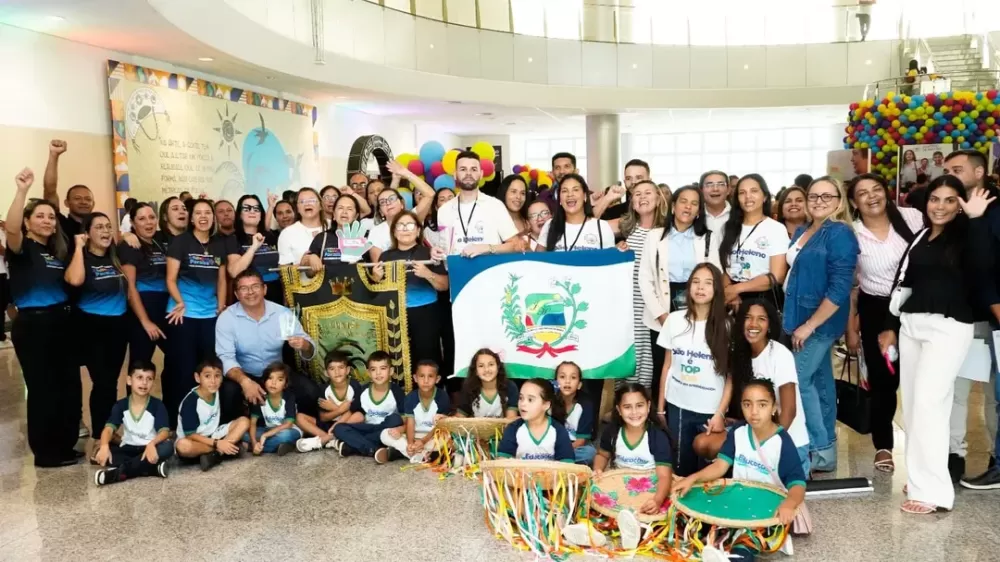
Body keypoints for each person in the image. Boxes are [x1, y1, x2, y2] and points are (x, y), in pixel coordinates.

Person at [878, 176, 994, 513]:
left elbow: (985, 264)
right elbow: (903, 283)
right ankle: (920, 479)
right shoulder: (921, 237)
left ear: (960, 203)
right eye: (934, 199)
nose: (940, 206)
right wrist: (889, 326)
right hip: (912, 325)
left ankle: (933, 493)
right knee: (913, 406)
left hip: (948, 327)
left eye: (949, 200)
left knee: (930, 404)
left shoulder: (967, 236)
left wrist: (975, 219)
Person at [673, 379, 807, 561]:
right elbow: (720, 466)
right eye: (747, 404)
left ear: (774, 407)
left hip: (767, 512)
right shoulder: (738, 431)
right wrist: (692, 478)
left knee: (745, 544)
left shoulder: (782, 442)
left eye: (762, 404)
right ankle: (714, 548)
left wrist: (789, 505)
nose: (754, 412)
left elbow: (798, 484)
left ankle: (735, 554)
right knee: (695, 524)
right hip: (738, 505)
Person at [844, 173, 921, 473]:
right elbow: (851, 287)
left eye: (876, 189)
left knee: (918, 377)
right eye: (862, 193)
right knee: (883, 382)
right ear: (853, 202)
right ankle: (884, 445)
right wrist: (852, 329)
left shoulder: (911, 218)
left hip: (917, 306)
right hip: (876, 309)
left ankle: (921, 443)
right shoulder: (852, 232)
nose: (871, 196)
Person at [5, 168, 80, 467]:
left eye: (51, 216)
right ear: (27, 222)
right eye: (40, 216)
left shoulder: (53, 252)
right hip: (34, 326)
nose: (47, 220)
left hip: (60, 323)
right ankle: (46, 453)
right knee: (43, 389)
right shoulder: (20, 249)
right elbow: (10, 230)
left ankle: (64, 445)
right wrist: (22, 190)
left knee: (67, 386)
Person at [782, 177, 858, 473]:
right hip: (798, 315)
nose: (818, 201)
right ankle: (826, 451)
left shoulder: (839, 233)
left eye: (827, 196)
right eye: (814, 196)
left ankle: (816, 447)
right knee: (820, 383)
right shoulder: (804, 229)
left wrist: (810, 325)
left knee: (798, 381)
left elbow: (840, 289)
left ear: (839, 201)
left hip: (819, 322)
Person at [697, 299, 810, 477]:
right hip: (756, 430)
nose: (753, 324)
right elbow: (731, 381)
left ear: (770, 325)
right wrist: (720, 415)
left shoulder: (780, 355)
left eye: (761, 319)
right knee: (703, 442)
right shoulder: (742, 352)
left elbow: (789, 411)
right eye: (748, 318)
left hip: (786, 439)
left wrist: (762, 447)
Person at [942, 149, 1000, 486]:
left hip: (990, 316)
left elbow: (987, 265)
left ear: (979, 173)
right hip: (959, 316)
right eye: (947, 168)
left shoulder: (991, 213)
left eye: (958, 169)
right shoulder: (949, 210)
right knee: (957, 389)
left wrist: (994, 303)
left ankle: (994, 457)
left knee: (995, 393)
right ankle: (955, 455)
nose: (950, 173)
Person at [640, 185, 721, 397]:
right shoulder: (655, 236)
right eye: (683, 201)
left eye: (694, 203)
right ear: (673, 206)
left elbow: (715, 276)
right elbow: (645, 278)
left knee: (693, 360)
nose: (688, 206)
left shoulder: (708, 238)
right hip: (663, 307)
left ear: (698, 211)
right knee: (663, 363)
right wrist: (661, 315)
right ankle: (661, 412)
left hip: (698, 305)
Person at [656, 263, 732, 476]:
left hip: (711, 409)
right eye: (696, 282)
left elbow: (729, 377)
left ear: (716, 289)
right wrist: (661, 409)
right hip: (678, 406)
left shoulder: (726, 325)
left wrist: (720, 413)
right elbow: (667, 366)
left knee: (708, 471)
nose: (700, 288)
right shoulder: (674, 320)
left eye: (708, 283)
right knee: (681, 467)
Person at [215, 268, 319, 420]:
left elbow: (310, 348)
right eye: (244, 288)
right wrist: (245, 381)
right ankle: (236, 436)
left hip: (277, 372)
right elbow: (225, 357)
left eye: (255, 286)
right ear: (237, 294)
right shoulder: (227, 318)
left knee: (310, 391)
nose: (250, 292)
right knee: (228, 393)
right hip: (245, 372)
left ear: (264, 289)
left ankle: (305, 433)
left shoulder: (282, 313)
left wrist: (304, 345)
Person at [65, 212, 129, 447]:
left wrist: (129, 234)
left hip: (118, 326)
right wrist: (80, 248)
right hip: (92, 327)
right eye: (99, 227)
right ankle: (100, 434)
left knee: (111, 381)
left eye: (108, 227)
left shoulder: (116, 257)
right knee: (102, 382)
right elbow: (74, 280)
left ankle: (107, 431)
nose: (105, 231)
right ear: (87, 232)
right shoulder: (82, 258)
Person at [163, 198, 227, 426]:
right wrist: (179, 301)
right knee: (182, 372)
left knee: (209, 371)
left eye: (207, 213)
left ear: (213, 217)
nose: (203, 217)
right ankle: (176, 423)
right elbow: (170, 279)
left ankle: (208, 420)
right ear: (191, 218)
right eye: (198, 213)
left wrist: (220, 306)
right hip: (183, 315)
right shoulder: (180, 242)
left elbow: (221, 279)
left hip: (209, 316)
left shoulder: (219, 244)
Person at [372, 210, 448, 374]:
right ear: (394, 231)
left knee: (427, 356)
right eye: (400, 225)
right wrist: (376, 278)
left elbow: (444, 285)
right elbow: (376, 291)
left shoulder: (429, 253)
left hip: (426, 313)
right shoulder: (385, 256)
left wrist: (428, 274)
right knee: (397, 358)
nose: (405, 229)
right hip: (394, 314)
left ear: (418, 230)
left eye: (410, 225)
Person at [612, 180, 668, 390]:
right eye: (637, 194)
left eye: (647, 193)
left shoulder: (667, 233)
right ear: (632, 202)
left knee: (649, 360)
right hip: (628, 307)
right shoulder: (626, 233)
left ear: (658, 198)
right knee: (626, 357)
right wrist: (616, 251)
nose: (642, 197)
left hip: (653, 307)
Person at [593, 383, 674, 514]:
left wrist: (657, 501)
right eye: (627, 407)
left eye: (639, 405)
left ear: (648, 406)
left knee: (663, 510)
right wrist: (597, 469)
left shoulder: (657, 436)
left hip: (651, 488)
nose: (634, 412)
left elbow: (664, 476)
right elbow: (602, 455)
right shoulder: (612, 431)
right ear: (618, 410)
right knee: (590, 497)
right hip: (619, 484)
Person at [92, 360, 172, 485]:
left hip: (149, 448)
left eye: (149, 379)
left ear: (153, 383)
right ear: (129, 380)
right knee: (100, 453)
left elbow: (164, 432)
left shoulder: (157, 405)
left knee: (167, 447)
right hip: (128, 448)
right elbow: (108, 429)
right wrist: (104, 446)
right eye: (139, 377)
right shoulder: (121, 405)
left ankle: (120, 473)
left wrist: (152, 444)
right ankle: (150, 469)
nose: (144, 383)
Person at [719, 174, 788, 310]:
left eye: (754, 191)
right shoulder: (728, 227)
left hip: (762, 298)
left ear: (765, 197)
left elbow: (777, 276)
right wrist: (730, 291)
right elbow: (723, 267)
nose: (748, 197)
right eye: (742, 193)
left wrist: (737, 289)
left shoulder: (776, 229)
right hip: (731, 298)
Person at [174, 357, 251, 472]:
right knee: (182, 446)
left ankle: (216, 455)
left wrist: (218, 441)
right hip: (195, 441)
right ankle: (222, 451)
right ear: (197, 377)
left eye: (217, 376)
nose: (213, 381)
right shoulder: (190, 402)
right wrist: (217, 443)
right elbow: (191, 435)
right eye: (207, 376)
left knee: (244, 421)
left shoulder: (217, 392)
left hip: (214, 435)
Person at [119, 203, 170, 366]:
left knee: (177, 357)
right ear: (133, 223)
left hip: (165, 309)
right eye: (141, 219)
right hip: (142, 311)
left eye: (151, 217)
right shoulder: (130, 246)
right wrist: (145, 322)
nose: (148, 222)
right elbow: (130, 287)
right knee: (139, 365)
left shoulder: (160, 241)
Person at [331, 351, 406, 458]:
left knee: (395, 419)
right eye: (373, 369)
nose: (378, 373)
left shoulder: (396, 391)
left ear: (391, 371)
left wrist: (400, 429)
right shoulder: (363, 390)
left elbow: (405, 418)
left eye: (383, 368)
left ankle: (354, 446)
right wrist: (337, 426)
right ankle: (374, 449)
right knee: (339, 428)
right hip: (367, 427)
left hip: (386, 430)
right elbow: (356, 413)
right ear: (368, 373)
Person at [377, 360, 451, 463]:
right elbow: (410, 424)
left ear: (437, 379)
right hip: (415, 434)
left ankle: (405, 453)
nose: (426, 381)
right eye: (421, 376)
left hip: (433, 437)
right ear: (415, 378)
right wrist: (410, 444)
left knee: (448, 439)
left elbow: (440, 425)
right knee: (384, 434)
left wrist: (423, 441)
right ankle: (421, 455)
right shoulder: (410, 397)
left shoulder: (442, 397)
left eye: (430, 376)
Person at [368, 161, 435, 261]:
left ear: (402, 204)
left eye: (392, 199)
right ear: (381, 211)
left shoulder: (413, 217)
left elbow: (429, 194)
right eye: (382, 202)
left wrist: (405, 173)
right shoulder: (376, 232)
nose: (388, 203)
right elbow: (378, 267)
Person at [295, 351, 362, 452]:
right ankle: (329, 437)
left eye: (341, 367)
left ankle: (326, 439)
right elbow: (323, 418)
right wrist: (338, 411)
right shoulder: (324, 389)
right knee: (299, 417)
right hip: (329, 426)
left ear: (347, 370)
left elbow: (352, 411)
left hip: (348, 424)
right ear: (326, 373)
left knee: (359, 416)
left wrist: (334, 408)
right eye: (332, 368)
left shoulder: (354, 385)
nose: (337, 372)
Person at [496, 378, 575, 462]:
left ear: (546, 405)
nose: (523, 403)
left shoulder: (558, 431)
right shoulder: (513, 429)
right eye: (521, 398)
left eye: (530, 400)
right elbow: (502, 461)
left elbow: (567, 465)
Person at [225, 194, 281, 304]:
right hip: (249, 295)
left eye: (256, 209)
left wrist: (271, 207)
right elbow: (234, 272)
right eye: (247, 208)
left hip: (275, 294)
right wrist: (254, 247)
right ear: (239, 214)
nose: (252, 211)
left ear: (261, 214)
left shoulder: (271, 237)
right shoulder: (233, 239)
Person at [538, 174, 615, 252]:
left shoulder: (602, 227)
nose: (570, 195)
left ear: (585, 196)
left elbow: (610, 260)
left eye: (575, 190)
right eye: (564, 191)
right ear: (560, 199)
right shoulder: (549, 225)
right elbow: (537, 261)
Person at [42, 140, 94, 252]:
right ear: (67, 203)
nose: (83, 202)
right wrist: (54, 155)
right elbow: (50, 190)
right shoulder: (60, 223)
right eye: (77, 198)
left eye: (88, 199)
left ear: (93, 203)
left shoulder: (98, 226)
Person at [246, 361, 302, 456]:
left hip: (288, 430)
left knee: (286, 436)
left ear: (285, 384)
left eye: (280, 380)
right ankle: (279, 446)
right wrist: (254, 441)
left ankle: (250, 447)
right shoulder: (260, 397)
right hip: (268, 429)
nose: (273, 383)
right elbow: (253, 423)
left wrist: (265, 435)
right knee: (244, 434)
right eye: (270, 378)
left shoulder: (289, 397)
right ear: (264, 381)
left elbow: (288, 424)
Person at [456, 348, 519, 419]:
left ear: (498, 366)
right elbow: (460, 419)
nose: (486, 369)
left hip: (505, 430)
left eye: (491, 364)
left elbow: (511, 420)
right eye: (481, 366)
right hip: (477, 430)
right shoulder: (469, 388)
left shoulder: (510, 387)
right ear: (475, 371)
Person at [555, 361, 596, 465]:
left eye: (573, 378)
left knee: (590, 453)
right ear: (555, 381)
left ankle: (554, 459)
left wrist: (562, 451)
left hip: (575, 445)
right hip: (553, 444)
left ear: (579, 385)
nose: (567, 381)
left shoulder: (586, 404)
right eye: (562, 377)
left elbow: (581, 441)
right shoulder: (549, 401)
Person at [278, 187, 325, 269]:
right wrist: (302, 264)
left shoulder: (334, 227)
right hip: (302, 281)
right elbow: (284, 270)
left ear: (321, 205)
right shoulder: (287, 233)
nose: (307, 204)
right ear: (297, 209)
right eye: (302, 201)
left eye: (312, 200)